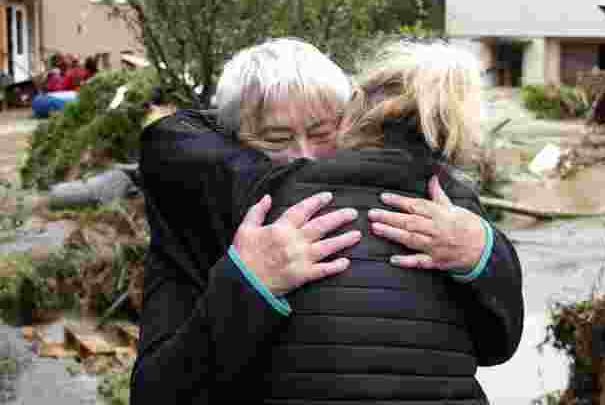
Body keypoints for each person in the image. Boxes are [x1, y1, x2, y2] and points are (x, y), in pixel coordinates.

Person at [132, 38, 523, 404]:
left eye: (322, 133)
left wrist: (483, 254)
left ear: (352, 120)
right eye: (275, 139)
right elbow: (156, 393)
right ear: (230, 141)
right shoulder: (196, 218)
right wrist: (245, 285)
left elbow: (493, 346)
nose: (304, 156)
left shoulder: (433, 204)